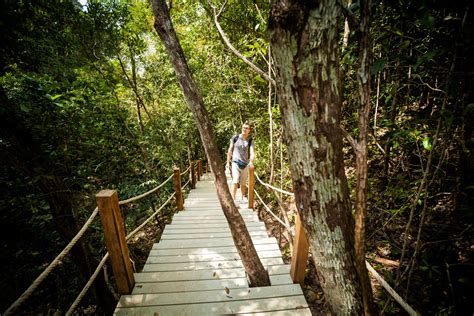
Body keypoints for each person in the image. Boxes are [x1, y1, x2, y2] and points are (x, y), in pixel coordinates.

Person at [226, 121, 255, 204]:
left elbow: (252, 152)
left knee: (243, 183)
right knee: (235, 180)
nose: (244, 129)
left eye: (246, 128)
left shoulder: (250, 140)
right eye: (243, 128)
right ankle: (233, 199)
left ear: (249, 130)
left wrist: (251, 161)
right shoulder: (235, 138)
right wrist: (228, 162)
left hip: (245, 164)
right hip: (235, 162)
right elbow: (230, 150)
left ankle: (242, 198)